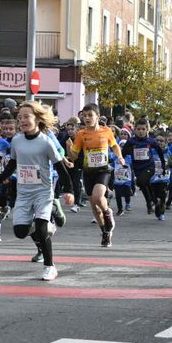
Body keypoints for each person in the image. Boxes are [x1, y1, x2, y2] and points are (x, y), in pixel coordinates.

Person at [0, 101, 75, 281]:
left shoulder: (46, 142)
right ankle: (47, 223)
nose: (22, 120)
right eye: (19, 117)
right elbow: (12, 164)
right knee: (20, 232)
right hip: (23, 192)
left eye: (26, 117)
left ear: (37, 119)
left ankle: (49, 266)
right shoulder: (17, 140)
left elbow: (60, 168)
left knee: (42, 228)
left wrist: (69, 191)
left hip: (43, 191)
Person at [67, 103, 125, 248]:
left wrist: (120, 157)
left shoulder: (107, 131)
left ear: (97, 116)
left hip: (103, 170)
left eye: (90, 115)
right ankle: (105, 231)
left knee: (98, 197)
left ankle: (108, 212)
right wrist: (68, 148)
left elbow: (115, 145)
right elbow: (74, 156)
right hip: (88, 172)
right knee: (94, 207)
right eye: (84, 116)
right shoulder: (81, 134)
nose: (87, 118)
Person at [122, 119, 166, 217]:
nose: (141, 131)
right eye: (138, 129)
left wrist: (163, 165)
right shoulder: (131, 141)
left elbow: (159, 151)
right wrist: (122, 162)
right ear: (135, 130)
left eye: (143, 129)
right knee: (143, 184)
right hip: (137, 168)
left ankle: (149, 204)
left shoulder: (151, 141)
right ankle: (155, 201)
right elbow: (123, 153)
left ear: (147, 130)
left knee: (141, 182)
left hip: (149, 167)